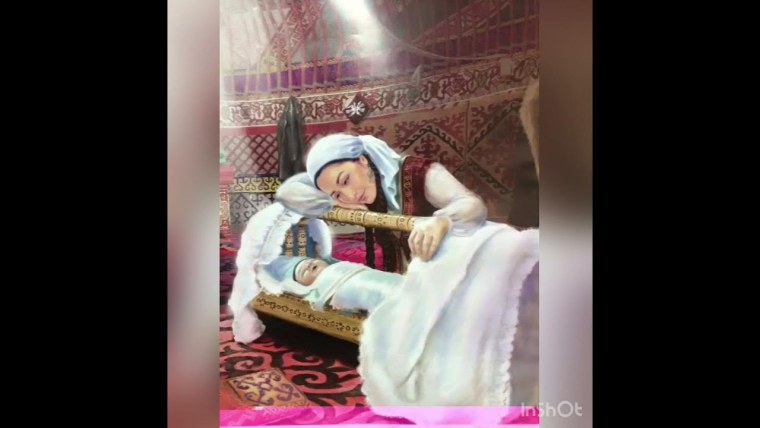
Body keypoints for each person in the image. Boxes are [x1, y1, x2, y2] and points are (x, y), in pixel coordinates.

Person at [305, 133, 487, 272]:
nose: (350, 196)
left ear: (362, 160)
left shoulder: (419, 172)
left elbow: (472, 204)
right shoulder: (368, 195)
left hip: (454, 268)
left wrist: (443, 221)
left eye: (345, 180)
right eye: (337, 194)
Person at [261, 255, 403, 313]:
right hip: (349, 289)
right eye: (302, 272)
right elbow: (316, 303)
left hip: (362, 276)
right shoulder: (315, 289)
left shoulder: (338, 265)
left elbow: (368, 273)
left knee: (388, 283)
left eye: (310, 261)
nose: (309, 265)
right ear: (300, 285)